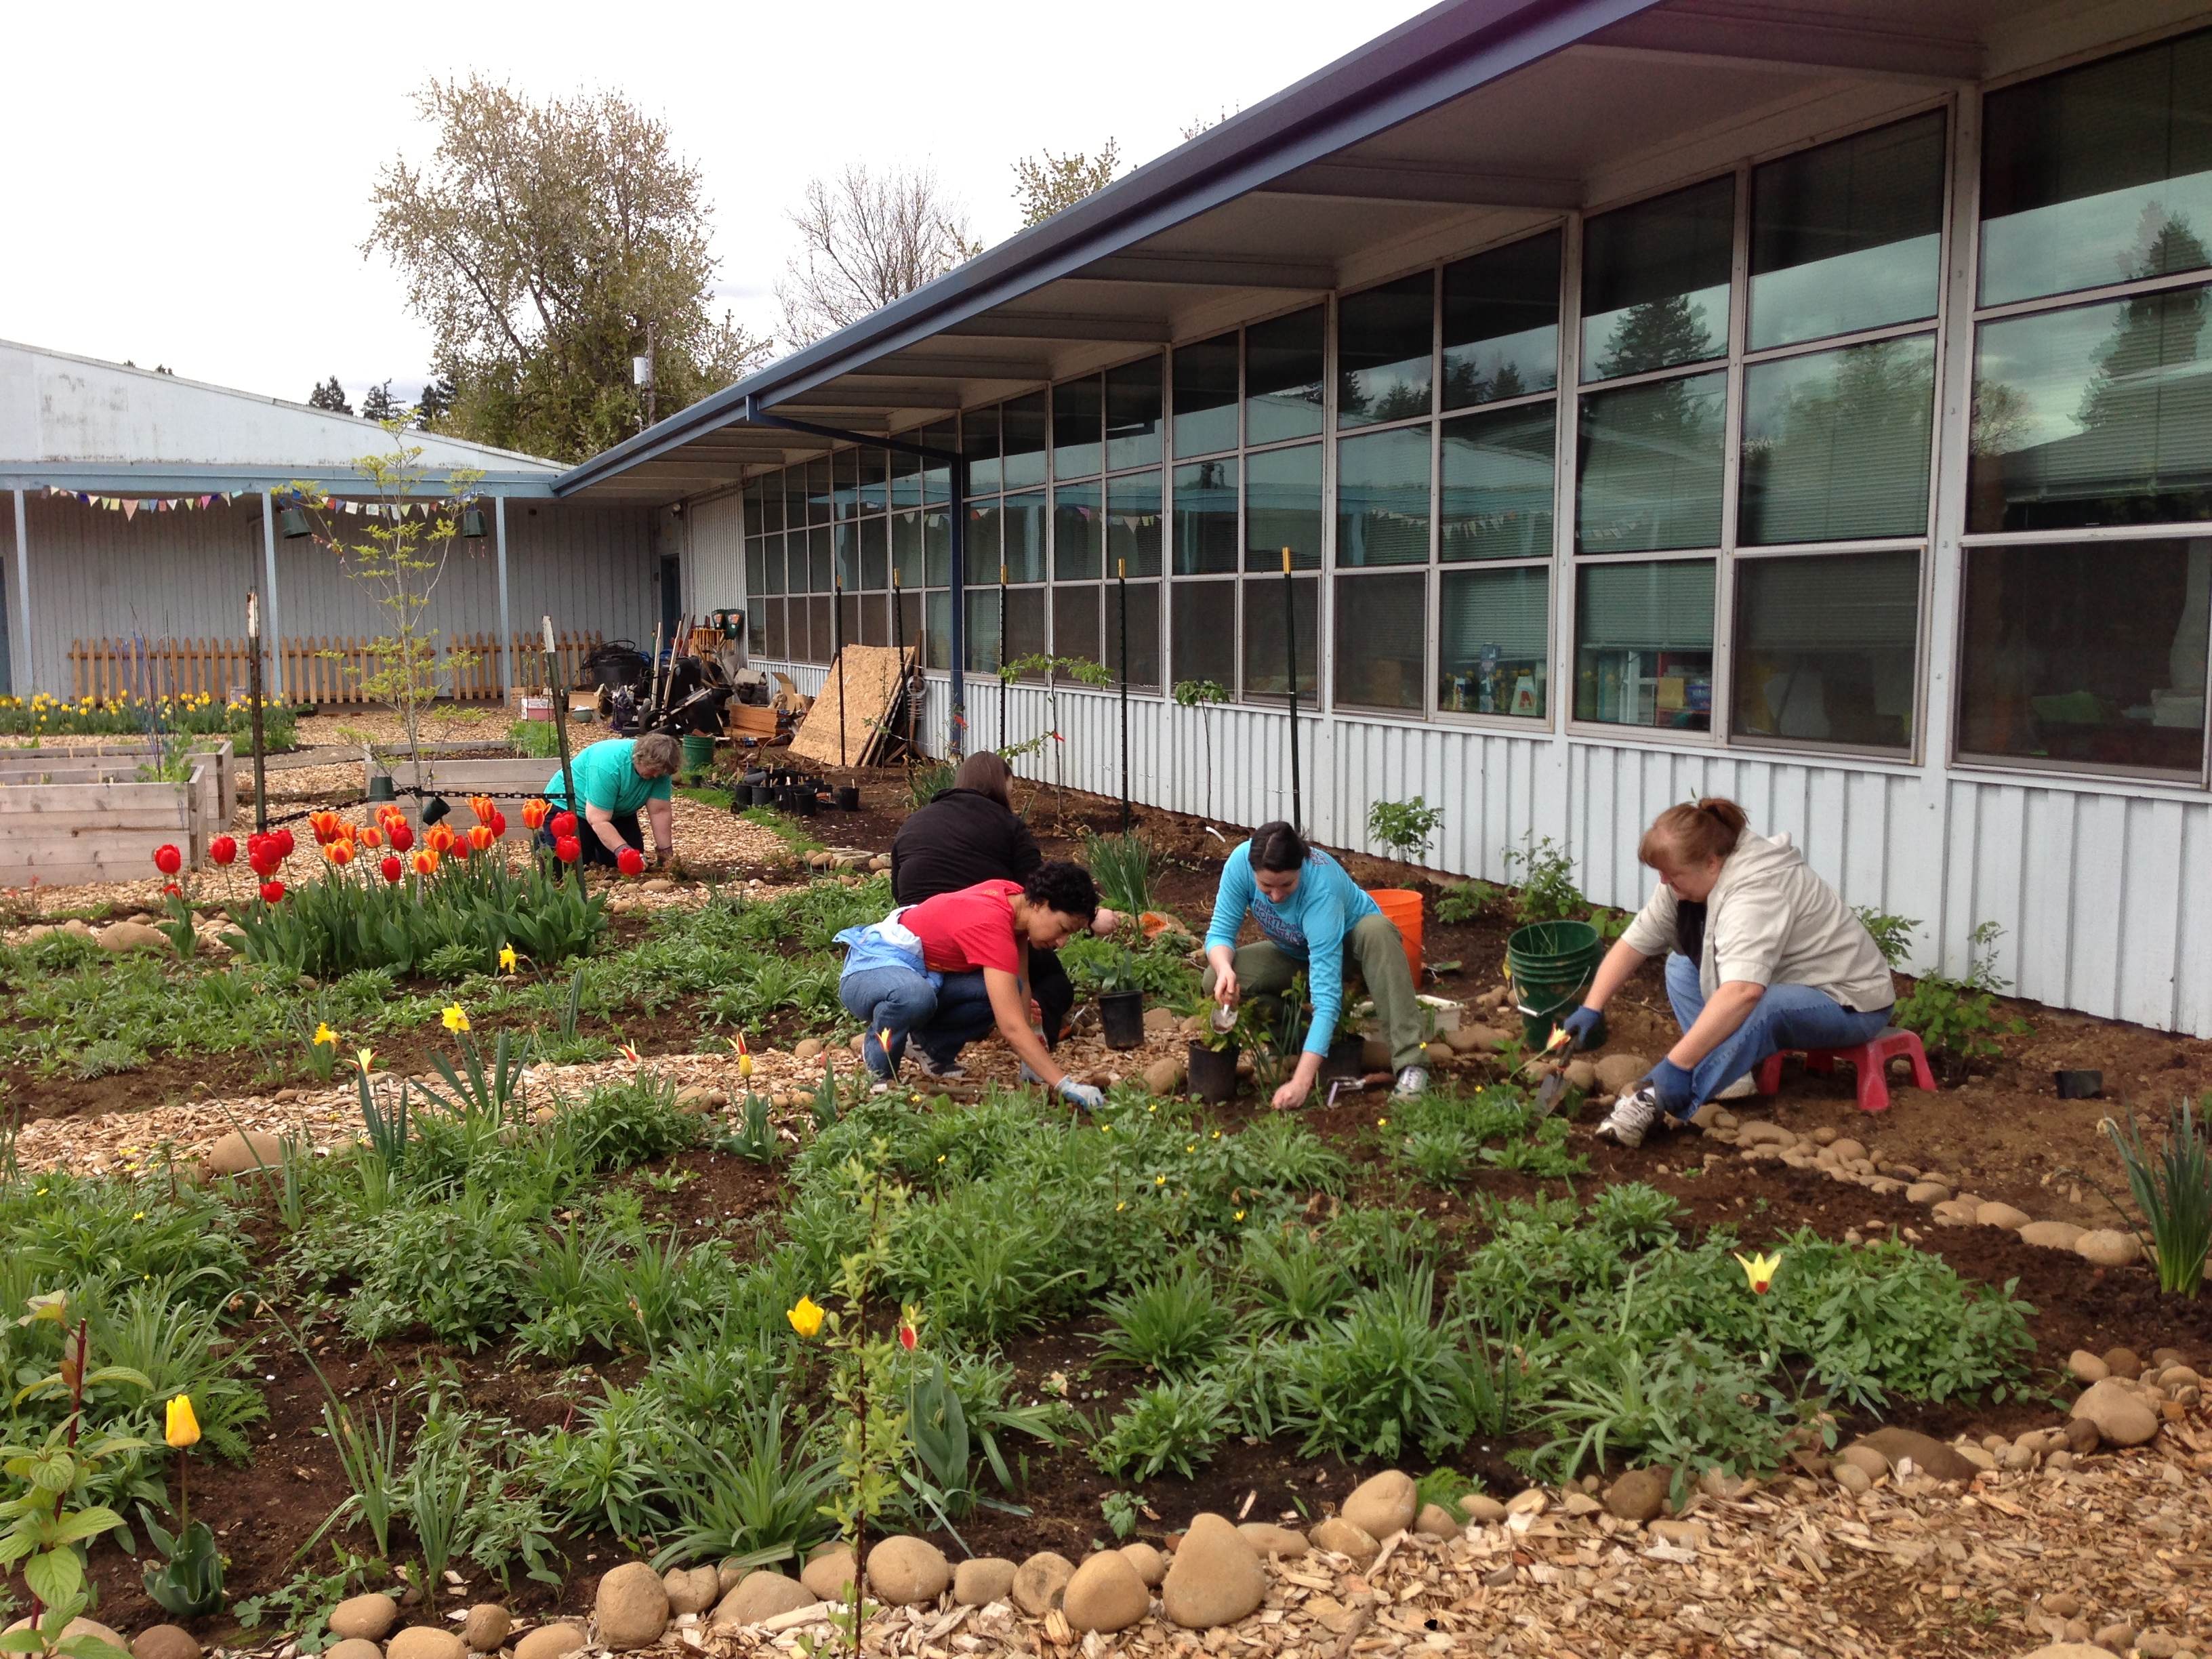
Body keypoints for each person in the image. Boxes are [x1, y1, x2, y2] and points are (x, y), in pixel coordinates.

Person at [1568, 797, 1896, 1149]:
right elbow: (1635, 942)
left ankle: (1653, 1100)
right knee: (1680, 966)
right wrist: (1593, 1005)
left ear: (1711, 863)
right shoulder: (1683, 877)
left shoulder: (1758, 890)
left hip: (1849, 1002)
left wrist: (1676, 1065)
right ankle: (1729, 1078)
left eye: (1672, 874)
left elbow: (1744, 992)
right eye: (1660, 873)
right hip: (1789, 986)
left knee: (1764, 1004)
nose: (1663, 882)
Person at [890, 752, 1119, 1046]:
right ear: (1000, 788)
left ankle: (942, 1022)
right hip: (982, 932)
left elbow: (899, 891)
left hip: (917, 941)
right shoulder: (1008, 825)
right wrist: (1088, 915)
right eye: (1010, 792)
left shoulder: (913, 823)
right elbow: (1038, 893)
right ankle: (1035, 1032)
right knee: (1054, 984)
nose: (1011, 801)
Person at [836, 861, 1107, 1110]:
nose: (1062, 943)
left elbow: (1021, 982)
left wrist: (1033, 1046)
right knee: (914, 997)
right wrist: (1064, 1083)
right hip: (870, 966)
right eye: (1063, 929)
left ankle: (928, 1046)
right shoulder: (992, 923)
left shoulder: (1017, 903)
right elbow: (1010, 1026)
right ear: (1041, 904)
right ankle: (879, 1070)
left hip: (921, 971)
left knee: (1001, 991)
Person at [1204, 821, 1427, 1108]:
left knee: (1377, 930)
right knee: (1213, 979)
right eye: (1266, 886)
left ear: (1302, 867)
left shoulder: (1322, 889)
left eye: (1287, 885)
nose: (1276, 895)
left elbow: (1327, 997)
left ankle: (1411, 1064)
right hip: (1298, 954)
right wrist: (1225, 969)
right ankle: (1303, 1039)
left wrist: (1301, 1082)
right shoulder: (1239, 864)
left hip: (1353, 956)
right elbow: (1220, 933)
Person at [539, 733, 679, 869]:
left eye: (660, 772)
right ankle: (544, 843)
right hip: (569, 808)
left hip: (617, 812)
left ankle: (596, 847)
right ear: (640, 758)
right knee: (570, 863)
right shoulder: (609, 765)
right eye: (653, 770)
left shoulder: (661, 770)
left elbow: (659, 812)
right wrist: (624, 851)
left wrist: (666, 855)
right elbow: (598, 819)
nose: (655, 775)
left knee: (629, 864)